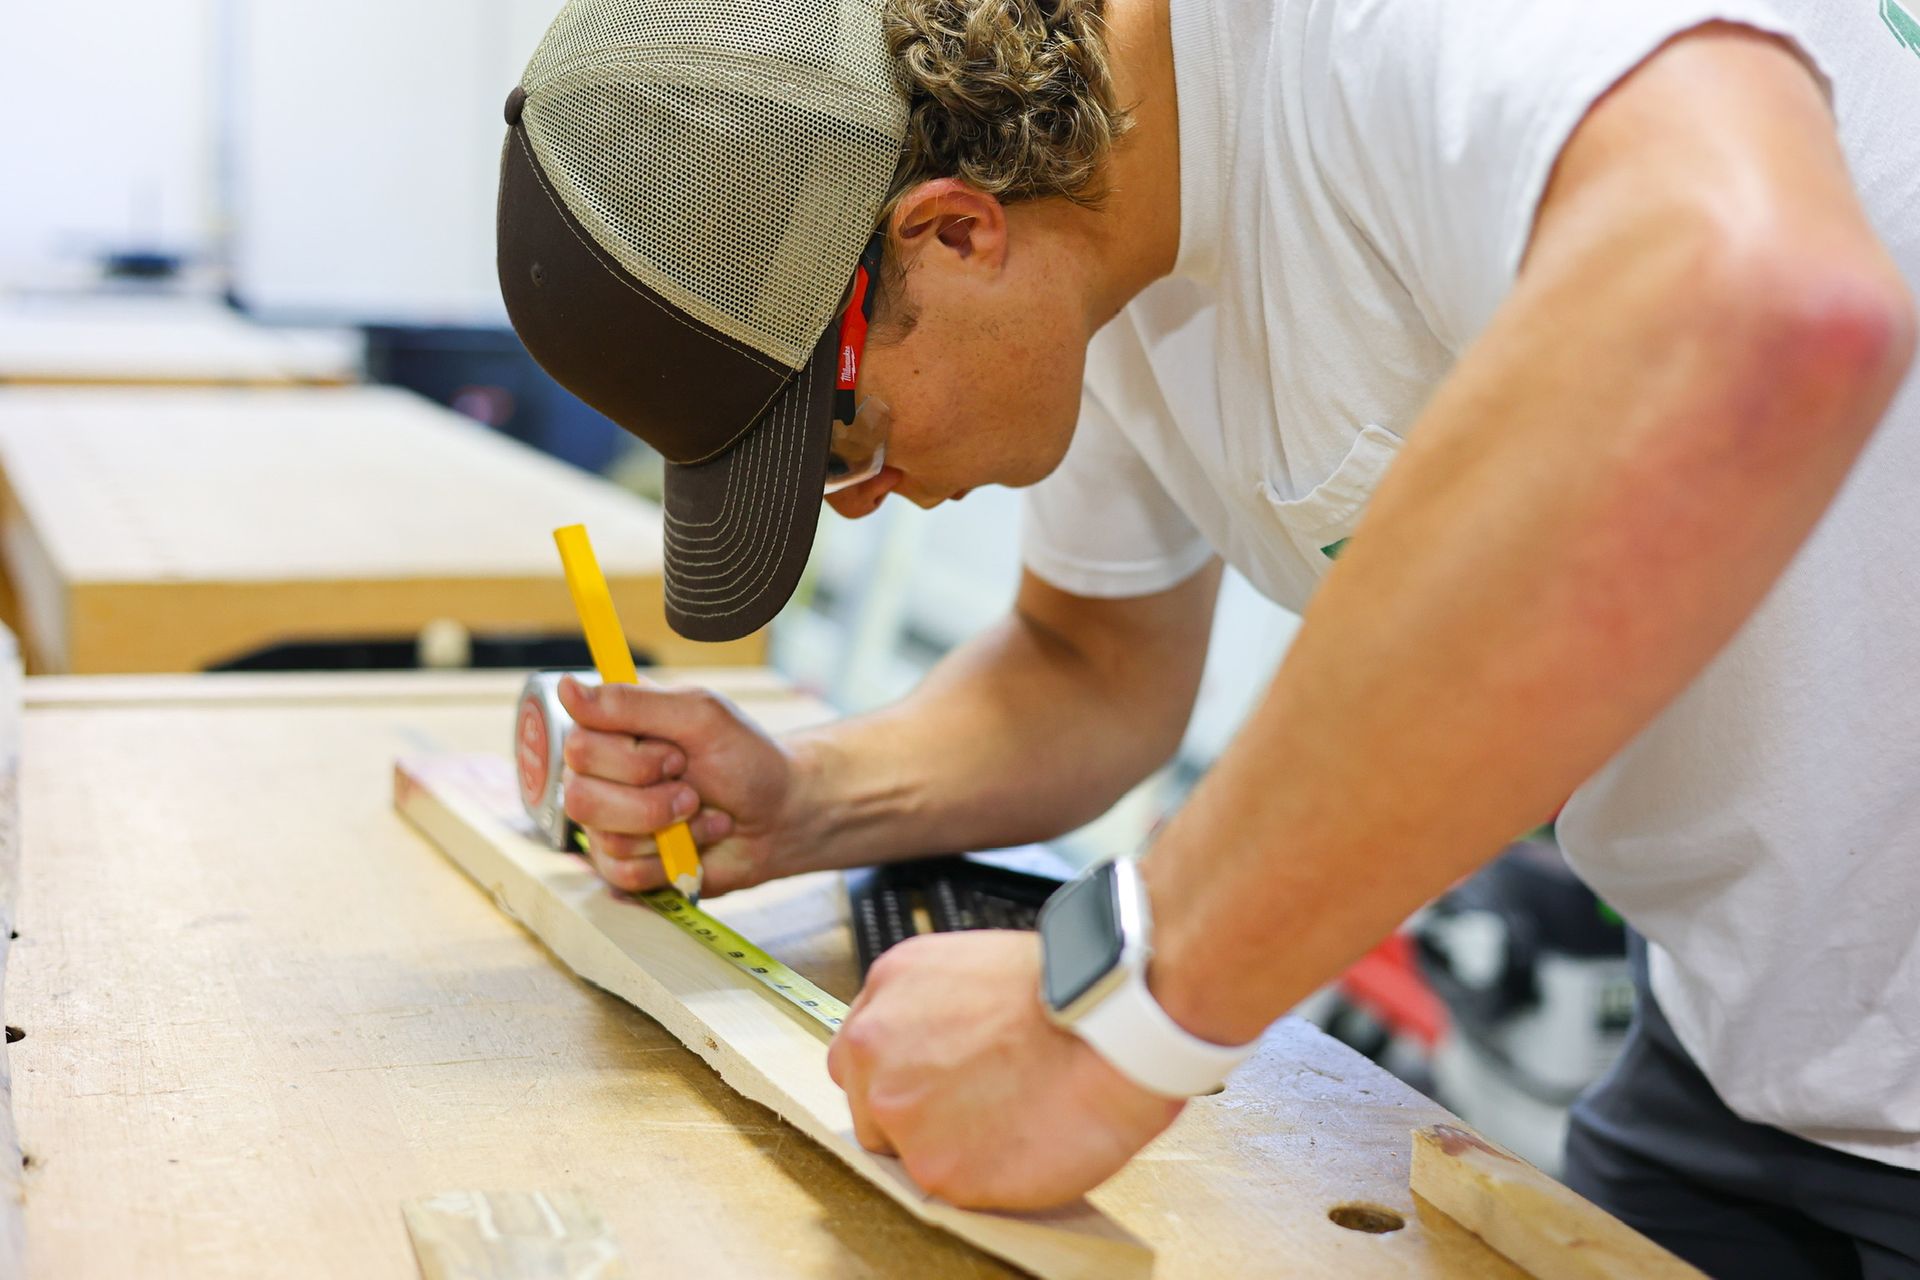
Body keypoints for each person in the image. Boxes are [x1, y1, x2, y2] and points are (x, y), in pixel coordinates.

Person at [494, 0, 1920, 1272]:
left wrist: (1117, 1014)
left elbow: (1762, 304)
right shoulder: (1086, 242)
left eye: (839, 440)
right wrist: (811, 797)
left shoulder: (1400, 40)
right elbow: (1092, 666)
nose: (862, 501)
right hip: (1749, 1032)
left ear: (951, 231)